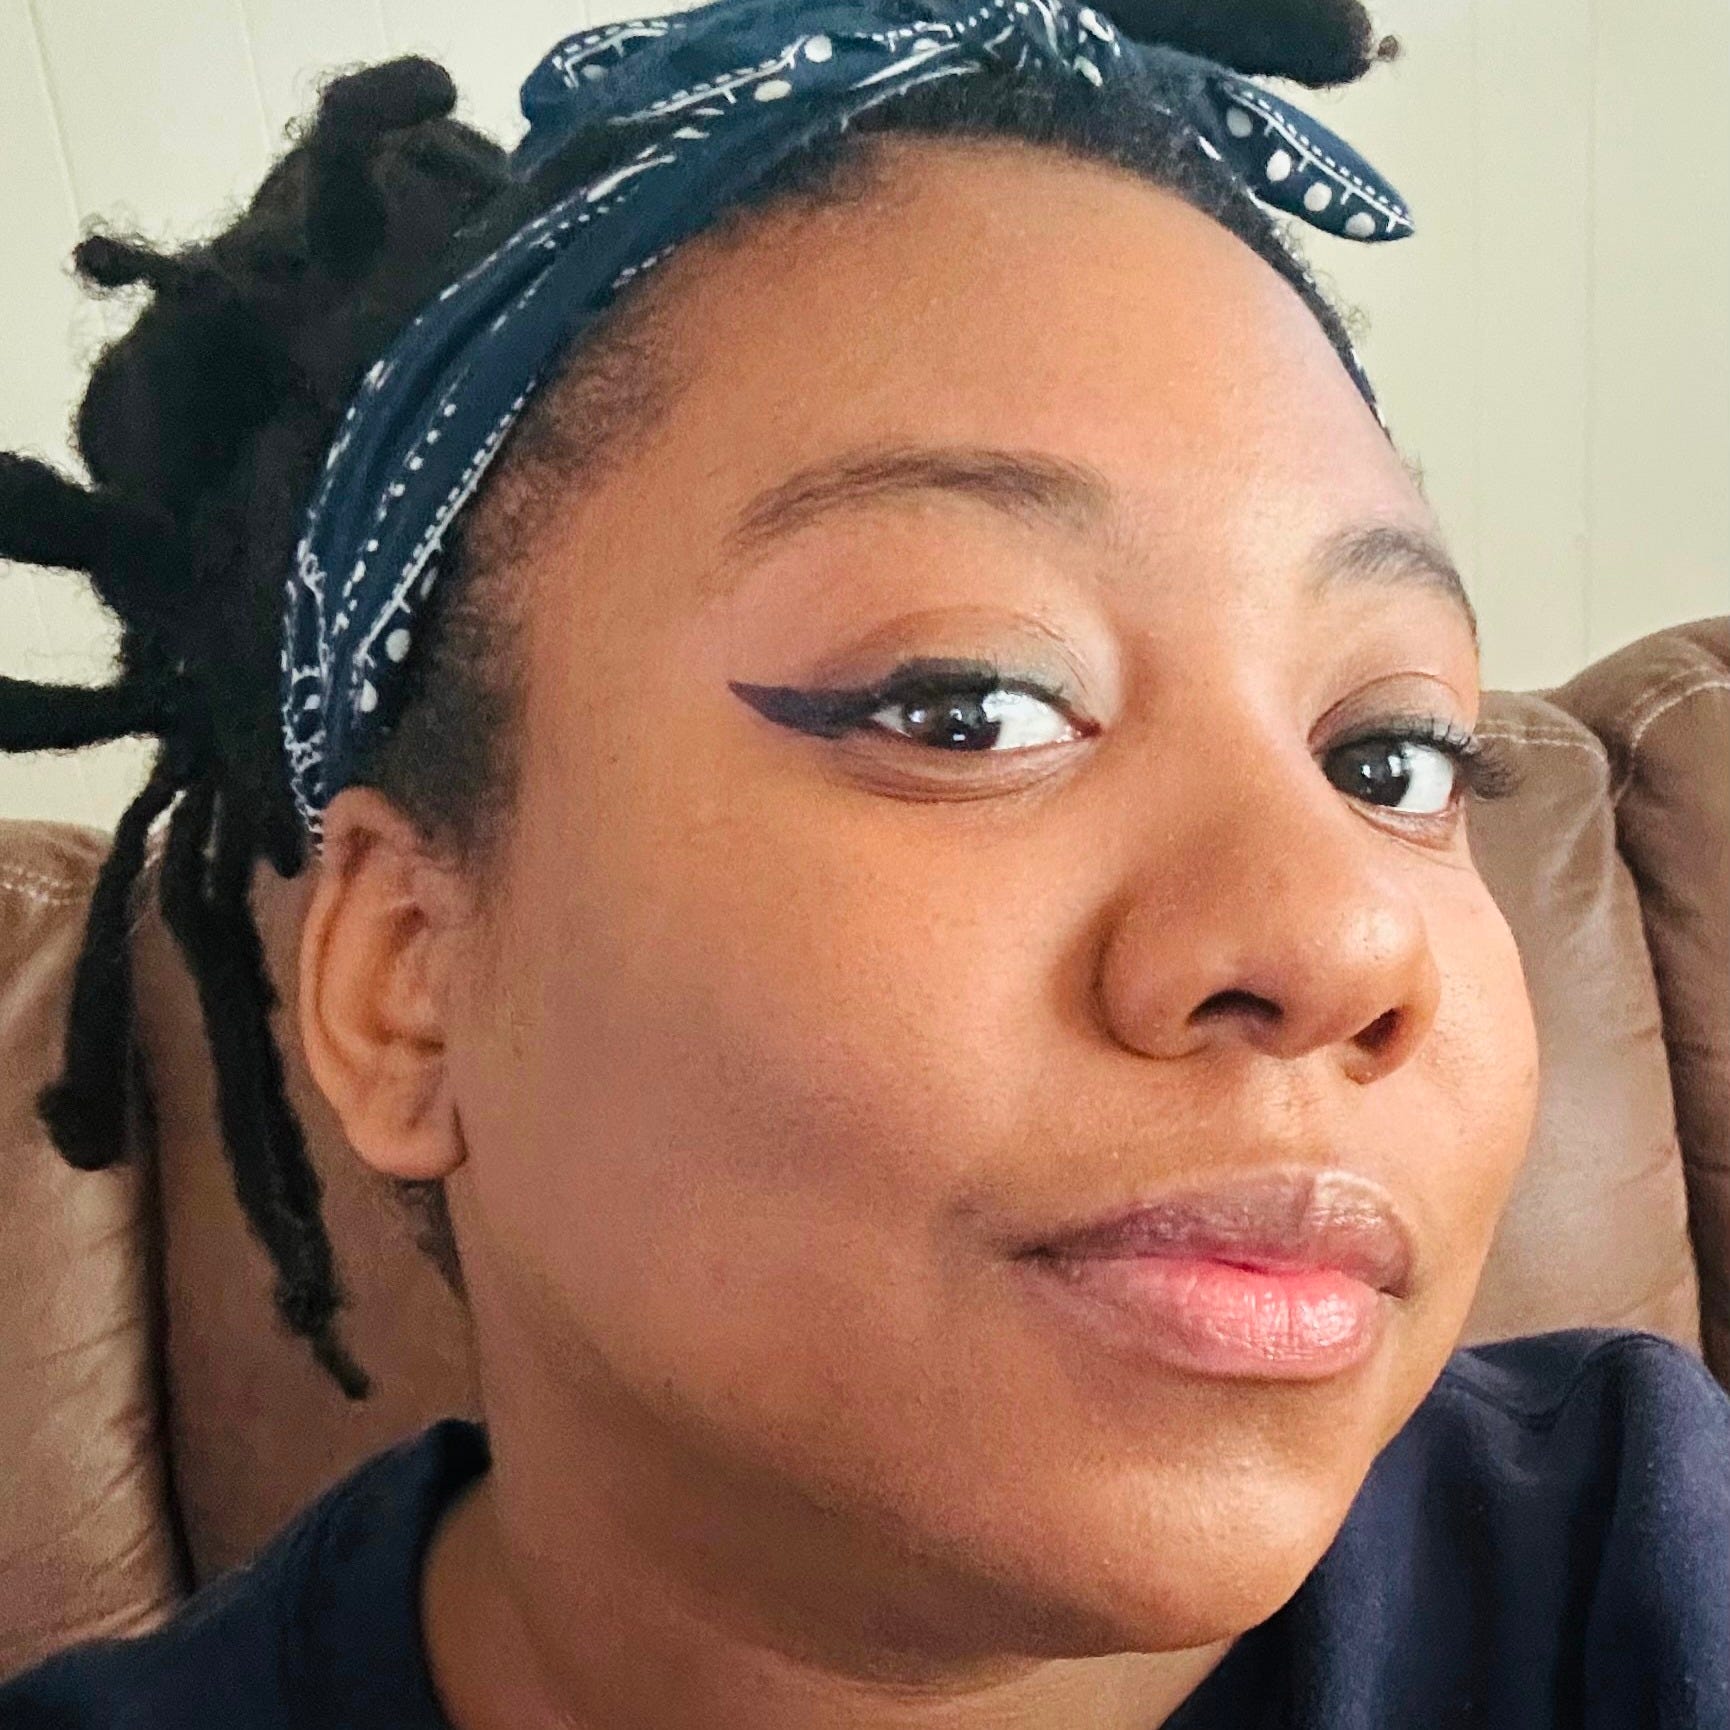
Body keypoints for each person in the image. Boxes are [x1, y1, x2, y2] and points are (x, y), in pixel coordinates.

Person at [1, 2, 1726, 1725]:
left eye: (1391, 759)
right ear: (406, 980)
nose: (1342, 936)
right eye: (967, 706)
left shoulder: (1642, 1564)